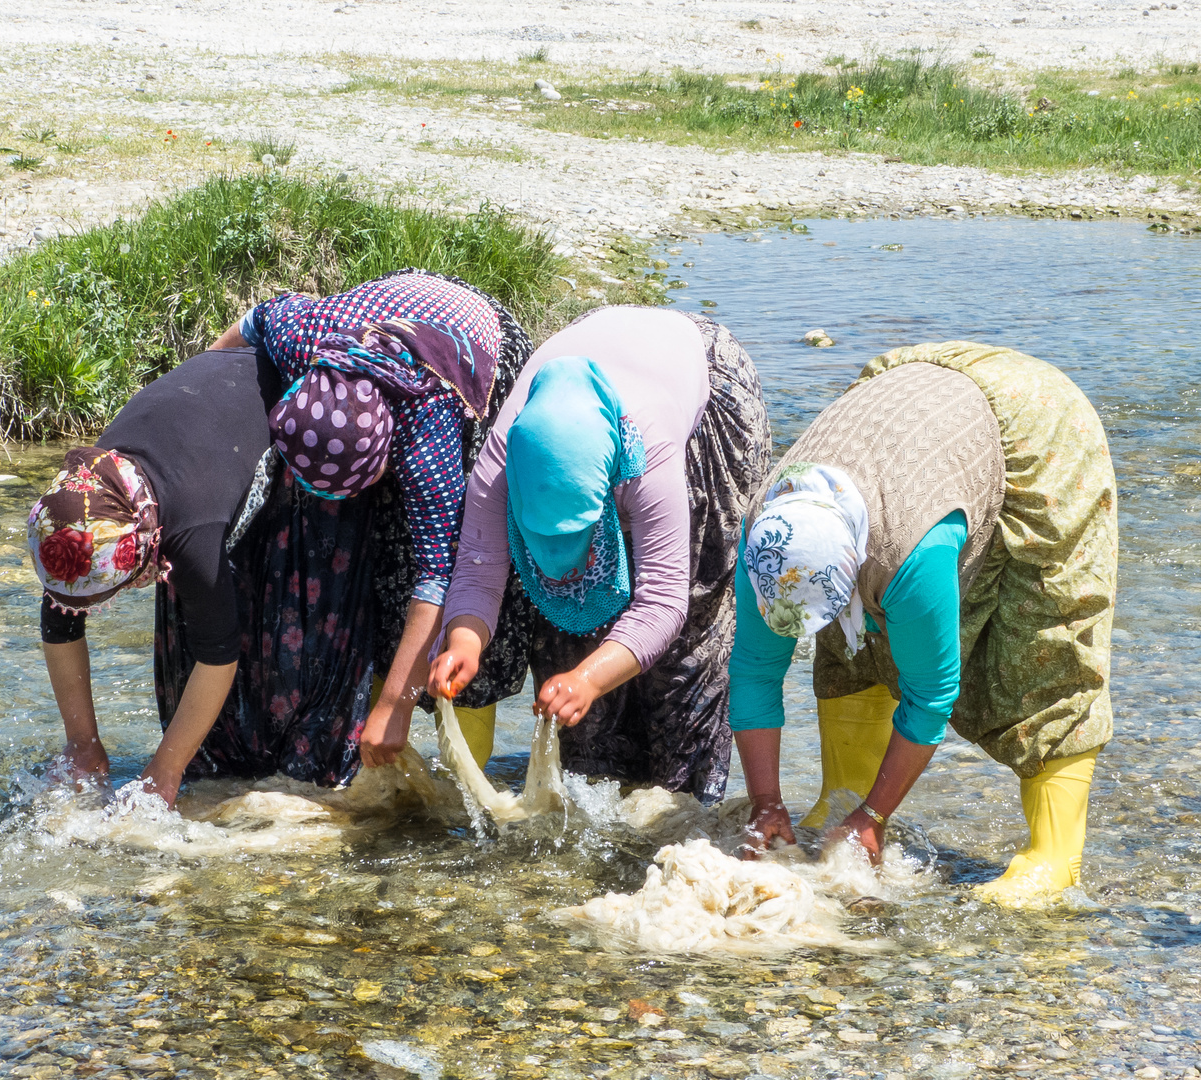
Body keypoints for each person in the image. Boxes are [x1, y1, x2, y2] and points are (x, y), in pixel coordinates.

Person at [729, 341, 1117, 906]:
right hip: (912, 405)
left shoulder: (910, 552)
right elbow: (754, 671)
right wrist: (765, 802)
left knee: (1040, 643)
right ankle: (842, 797)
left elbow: (933, 696)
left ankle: (1053, 858)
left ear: (858, 559)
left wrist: (877, 815)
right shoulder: (768, 536)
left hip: (1035, 431)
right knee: (849, 644)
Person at [185, 269, 535, 782]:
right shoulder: (300, 335)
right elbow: (246, 327)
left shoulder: (430, 433)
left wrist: (395, 705)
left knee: (476, 566)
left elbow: (443, 572)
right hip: (395, 307)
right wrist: (194, 405)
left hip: (478, 356)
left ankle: (459, 769)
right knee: (375, 570)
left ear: (393, 451)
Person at [428, 306, 771, 803]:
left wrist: (587, 680)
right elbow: (479, 573)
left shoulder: (648, 455)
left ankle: (680, 800)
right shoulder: (502, 460)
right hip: (595, 360)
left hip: (695, 379)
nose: (576, 565)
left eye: (583, 538)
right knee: (570, 635)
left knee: (689, 644)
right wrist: (464, 643)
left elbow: (664, 603)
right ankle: (598, 784)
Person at [28, 346, 279, 808]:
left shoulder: (193, 531)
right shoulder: (90, 495)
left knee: (240, 623)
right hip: (203, 408)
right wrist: (82, 743)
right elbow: (60, 616)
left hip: (277, 396)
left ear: (145, 553)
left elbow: (220, 654)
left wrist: (165, 770)